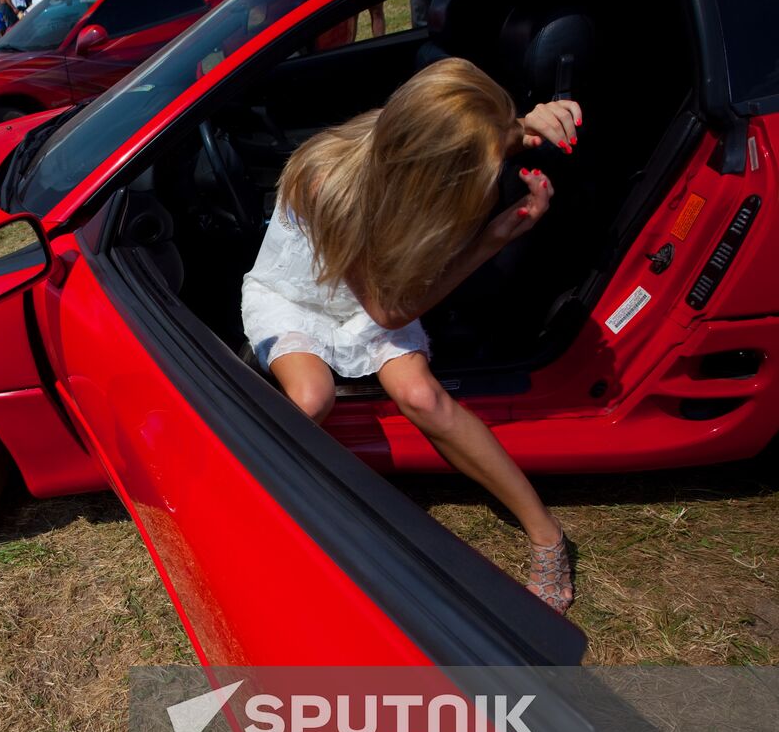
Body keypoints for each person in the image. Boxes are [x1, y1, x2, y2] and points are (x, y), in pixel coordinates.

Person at [241, 59, 584, 612]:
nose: (490, 176)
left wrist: (531, 122)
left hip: (375, 286)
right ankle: (264, 518)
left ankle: (547, 535)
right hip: (299, 295)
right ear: (435, 165)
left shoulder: (414, 133)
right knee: (309, 399)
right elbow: (389, 311)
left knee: (424, 397)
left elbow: (487, 132)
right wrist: (493, 238)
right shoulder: (327, 180)